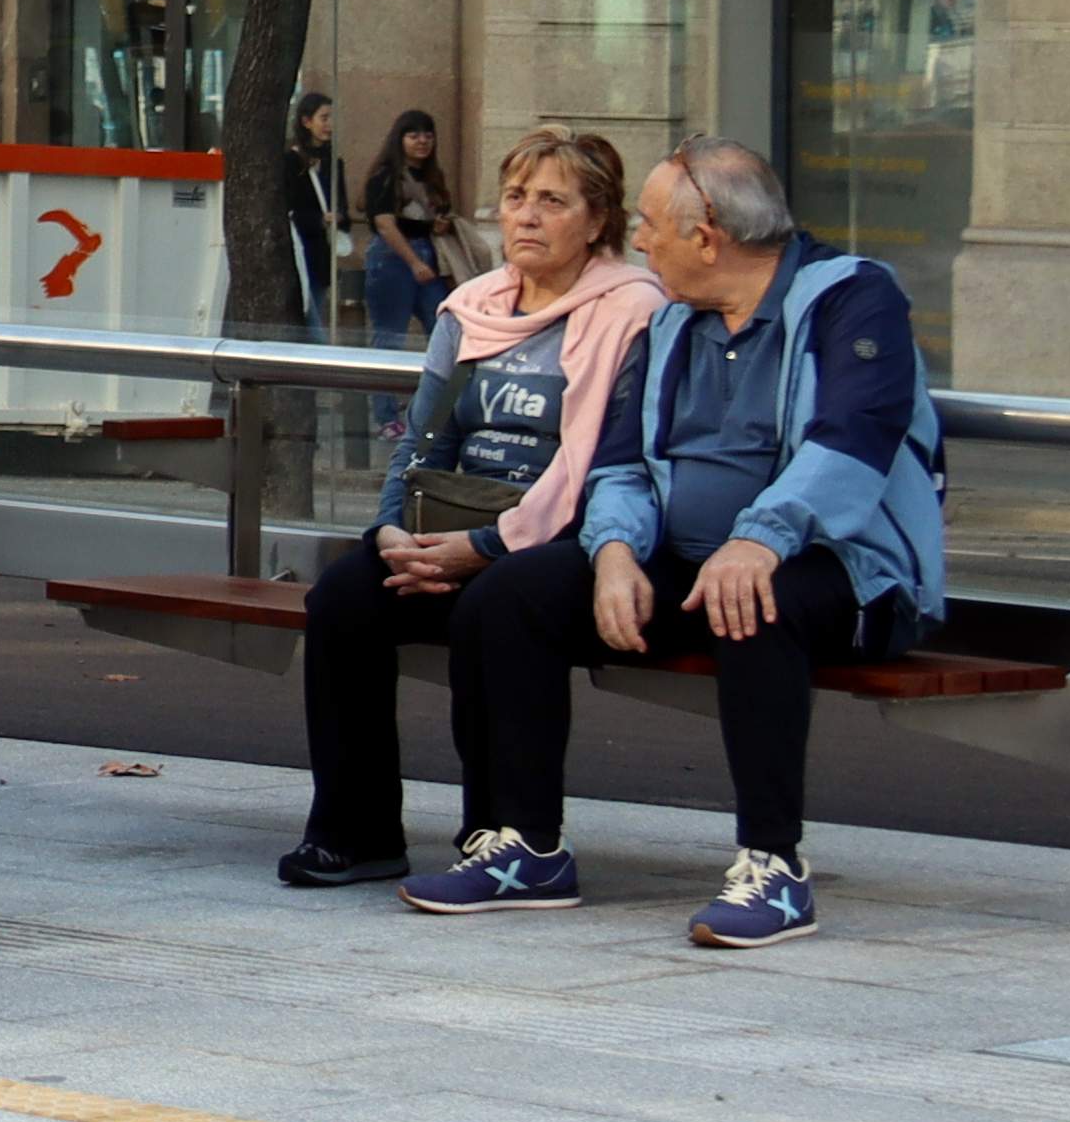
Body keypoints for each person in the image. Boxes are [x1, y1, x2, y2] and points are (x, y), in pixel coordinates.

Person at [408, 137, 946, 950]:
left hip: (838, 566)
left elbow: (851, 441)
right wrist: (615, 553)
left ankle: (773, 866)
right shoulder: (668, 321)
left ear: (708, 237)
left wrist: (759, 539)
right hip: (680, 559)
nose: (638, 241)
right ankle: (526, 848)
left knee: (751, 604)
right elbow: (620, 461)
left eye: (651, 225)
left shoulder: (851, 297)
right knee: (506, 597)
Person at [278, 127, 659, 887]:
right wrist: (393, 532)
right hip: (447, 529)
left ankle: (496, 832)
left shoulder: (631, 311)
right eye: (515, 197)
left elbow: (602, 464)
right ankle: (355, 831)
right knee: (345, 598)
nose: (525, 216)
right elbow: (423, 439)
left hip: (564, 539)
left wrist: (484, 547)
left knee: (494, 604)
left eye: (552, 201)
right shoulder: (471, 308)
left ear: (597, 219)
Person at [359, 108, 459, 342]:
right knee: (390, 334)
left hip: (429, 253)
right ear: (399, 139)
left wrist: (439, 225)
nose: (422, 141)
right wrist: (414, 262)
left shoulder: (433, 177)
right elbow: (385, 225)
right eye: (414, 136)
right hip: (392, 257)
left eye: (428, 136)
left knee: (443, 329)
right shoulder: (385, 176)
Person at [285, 90, 345, 334]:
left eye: (332, 118)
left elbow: (343, 205)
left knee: (317, 310)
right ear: (306, 121)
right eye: (324, 118)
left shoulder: (333, 161)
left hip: (322, 251)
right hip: (301, 247)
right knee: (312, 322)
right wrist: (319, 219)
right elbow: (288, 207)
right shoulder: (291, 161)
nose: (329, 125)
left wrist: (338, 217)